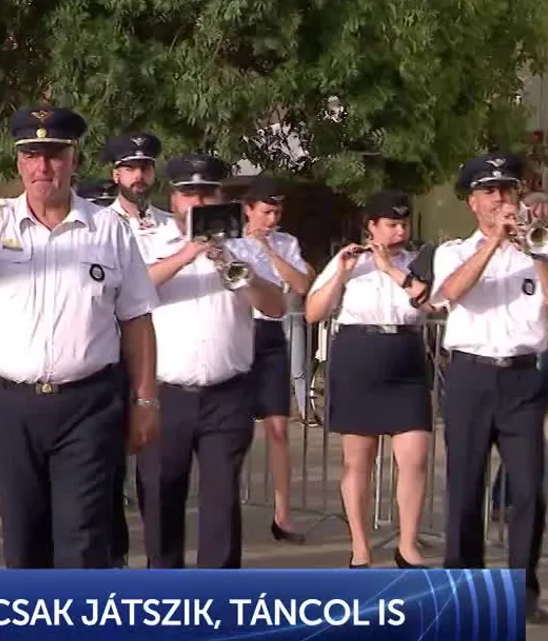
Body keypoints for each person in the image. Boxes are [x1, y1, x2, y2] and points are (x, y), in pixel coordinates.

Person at [0, 107, 160, 641]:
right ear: (18, 163)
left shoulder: (109, 230)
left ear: (75, 161)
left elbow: (137, 318)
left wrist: (144, 399)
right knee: (23, 535)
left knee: (81, 538)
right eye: (31, 155)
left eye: (55, 154)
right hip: (9, 402)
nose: (43, 165)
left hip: (89, 401)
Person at [431, 152, 548, 624]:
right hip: (471, 376)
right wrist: (492, 244)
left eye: (507, 190)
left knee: (529, 491)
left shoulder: (540, 250)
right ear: (474, 202)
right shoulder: (454, 250)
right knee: (465, 489)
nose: (501, 199)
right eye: (491, 192)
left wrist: (536, 254)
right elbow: (449, 294)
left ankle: (521, 593)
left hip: (521, 378)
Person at [136, 154, 289, 572]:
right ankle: (163, 592)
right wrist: (188, 254)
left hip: (228, 391)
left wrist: (233, 267)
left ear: (222, 197)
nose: (198, 202)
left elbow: (276, 307)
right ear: (174, 199)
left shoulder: (244, 247)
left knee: (222, 500)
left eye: (207, 193)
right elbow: (134, 289)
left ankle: (217, 598)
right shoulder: (151, 243)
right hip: (167, 393)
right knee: (161, 494)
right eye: (189, 194)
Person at [305, 190, 433, 568]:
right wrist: (341, 274)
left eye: (403, 223)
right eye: (391, 224)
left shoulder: (417, 261)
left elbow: (430, 303)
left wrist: (394, 271)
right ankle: (360, 545)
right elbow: (313, 312)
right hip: (358, 352)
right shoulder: (348, 261)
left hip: (405, 352)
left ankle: (407, 544)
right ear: (372, 227)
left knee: (415, 456)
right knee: (358, 460)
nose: (399, 231)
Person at [228, 175, 312, 544]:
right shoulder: (229, 240)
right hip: (238, 332)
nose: (271, 219)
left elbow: (300, 285)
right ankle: (225, 506)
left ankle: (283, 515)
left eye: (277, 212)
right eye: (265, 212)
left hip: (271, 334)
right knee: (233, 431)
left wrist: (271, 251)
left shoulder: (286, 242)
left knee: (278, 429)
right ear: (249, 210)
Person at [100, 131, 169, 568]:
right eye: (130, 168)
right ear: (116, 175)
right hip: (109, 355)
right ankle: (114, 554)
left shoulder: (171, 226)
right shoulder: (101, 225)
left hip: (158, 358)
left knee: (156, 472)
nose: (138, 176)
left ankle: (160, 559)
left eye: (144, 168)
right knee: (106, 468)